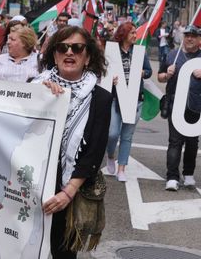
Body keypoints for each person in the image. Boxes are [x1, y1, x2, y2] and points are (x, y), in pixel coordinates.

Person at [34, 26, 112, 259]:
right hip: (29, 184)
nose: (70, 52)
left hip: (68, 193)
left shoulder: (101, 99)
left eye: (77, 48)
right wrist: (40, 97)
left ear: (87, 57)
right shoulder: (34, 86)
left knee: (62, 253)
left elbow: (94, 153)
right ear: (54, 55)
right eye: (62, 47)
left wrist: (67, 193)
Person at [105, 22, 152, 181]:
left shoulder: (140, 52)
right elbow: (103, 71)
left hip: (134, 99)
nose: (135, 36)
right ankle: (110, 155)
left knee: (127, 135)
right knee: (112, 133)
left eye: (135, 33)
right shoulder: (112, 51)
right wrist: (109, 78)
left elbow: (149, 71)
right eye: (132, 33)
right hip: (115, 98)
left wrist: (143, 72)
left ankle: (121, 169)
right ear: (124, 34)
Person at [157, 25, 201, 191]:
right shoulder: (173, 55)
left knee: (192, 142)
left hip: (196, 106)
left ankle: (188, 174)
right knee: (175, 141)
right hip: (175, 104)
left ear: (199, 40)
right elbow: (160, 77)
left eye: (193, 36)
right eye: (187, 35)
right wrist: (166, 74)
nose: (189, 38)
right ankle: (172, 177)